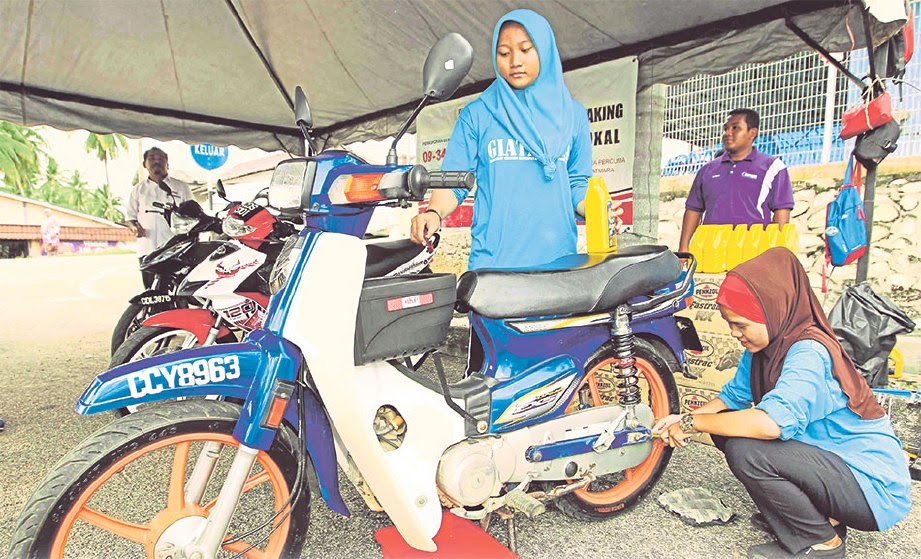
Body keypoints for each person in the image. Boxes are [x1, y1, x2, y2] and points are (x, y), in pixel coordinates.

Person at [653, 247, 911, 559]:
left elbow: (769, 424)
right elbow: (731, 399)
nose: (735, 333)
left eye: (741, 324)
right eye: (729, 324)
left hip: (873, 487)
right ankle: (814, 517)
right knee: (729, 426)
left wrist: (692, 423)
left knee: (747, 449)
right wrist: (682, 419)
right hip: (835, 469)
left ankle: (821, 544)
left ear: (773, 309)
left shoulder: (809, 352)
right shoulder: (764, 347)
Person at [409, 8, 622, 270]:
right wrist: (434, 213)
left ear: (544, 50)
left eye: (525, 49)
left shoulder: (573, 115)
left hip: (559, 263)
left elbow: (577, 182)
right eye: (504, 53)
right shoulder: (478, 114)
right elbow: (454, 180)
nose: (515, 62)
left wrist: (599, 210)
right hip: (495, 266)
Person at [678, 108, 794, 253]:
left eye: (735, 128)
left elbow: (781, 213)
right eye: (725, 129)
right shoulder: (707, 170)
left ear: (752, 133)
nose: (727, 133)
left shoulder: (773, 167)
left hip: (752, 253)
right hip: (712, 253)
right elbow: (693, 210)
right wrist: (683, 248)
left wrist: (777, 253)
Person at [125, 147, 193, 287]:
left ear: (167, 163)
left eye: (161, 158)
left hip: (175, 248)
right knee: (151, 291)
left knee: (178, 290)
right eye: (152, 158)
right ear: (144, 164)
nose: (157, 161)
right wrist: (134, 227)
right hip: (147, 249)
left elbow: (193, 213)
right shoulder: (138, 190)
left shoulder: (181, 187)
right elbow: (130, 217)